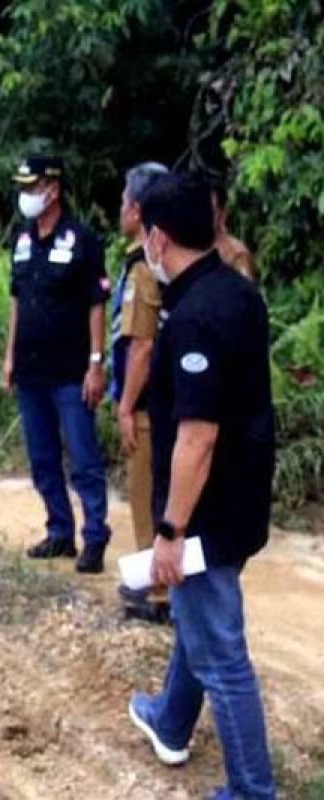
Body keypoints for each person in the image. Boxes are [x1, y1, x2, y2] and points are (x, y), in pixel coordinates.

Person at [127, 173, 276, 800]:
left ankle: (251, 790)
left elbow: (197, 439)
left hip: (206, 517)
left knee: (222, 655)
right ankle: (171, 719)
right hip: (243, 500)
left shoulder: (193, 317)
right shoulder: (239, 293)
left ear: (159, 237)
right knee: (198, 622)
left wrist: (169, 531)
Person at [2, 155, 112, 573]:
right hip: (30, 368)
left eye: (32, 188)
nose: (26, 196)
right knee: (42, 457)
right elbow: (16, 300)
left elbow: (96, 304)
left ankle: (96, 535)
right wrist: (9, 354)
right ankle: (59, 530)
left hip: (70, 371)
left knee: (83, 458)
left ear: (53, 189)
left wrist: (96, 363)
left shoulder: (82, 240)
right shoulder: (23, 239)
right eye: (23, 188)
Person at [110, 161, 171, 623]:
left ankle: (157, 592)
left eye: (124, 202)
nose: (120, 209)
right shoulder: (172, 256)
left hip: (150, 404)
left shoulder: (143, 267)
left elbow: (141, 344)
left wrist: (126, 404)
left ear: (137, 209)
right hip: (170, 399)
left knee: (148, 495)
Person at [208, 181, 256, 280]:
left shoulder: (237, 255)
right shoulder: (192, 248)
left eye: (211, 209)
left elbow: (244, 291)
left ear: (222, 214)